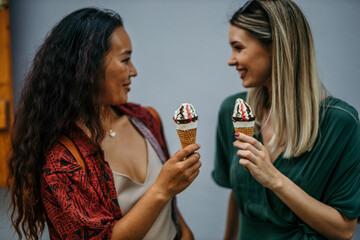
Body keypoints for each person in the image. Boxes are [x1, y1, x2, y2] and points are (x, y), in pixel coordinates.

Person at [7, 8, 201, 240]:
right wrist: (162, 189)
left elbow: (170, 210)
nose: (134, 71)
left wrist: (186, 233)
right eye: (125, 60)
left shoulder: (146, 120)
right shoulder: (61, 161)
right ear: (88, 67)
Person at [212, 0, 360, 239]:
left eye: (238, 48)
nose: (231, 59)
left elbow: (344, 230)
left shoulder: (341, 123)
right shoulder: (235, 111)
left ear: (276, 47)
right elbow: (238, 198)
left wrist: (274, 179)